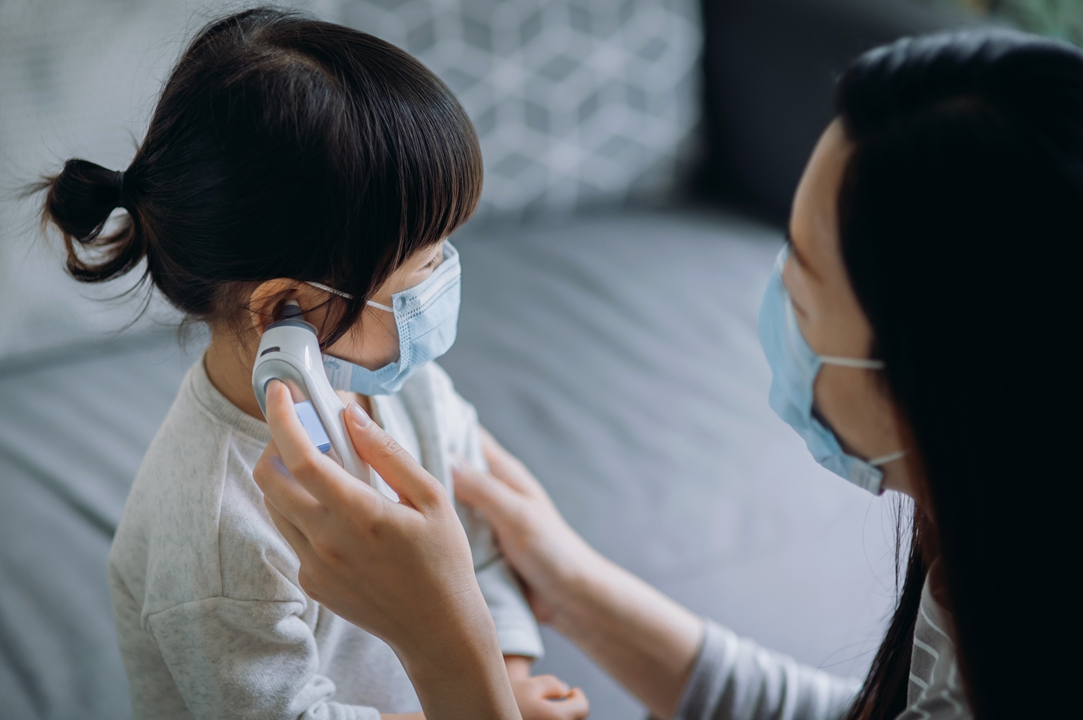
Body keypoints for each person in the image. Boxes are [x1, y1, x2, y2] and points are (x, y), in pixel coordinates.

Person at [252, 28, 1079, 720]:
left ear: (939, 378)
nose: (774, 294)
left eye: (804, 279)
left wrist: (451, 655)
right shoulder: (987, 570)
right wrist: (574, 586)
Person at [34, 8, 588, 720]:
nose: (447, 276)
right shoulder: (218, 535)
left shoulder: (411, 391)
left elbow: (475, 549)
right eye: (423, 266)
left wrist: (501, 678)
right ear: (286, 309)